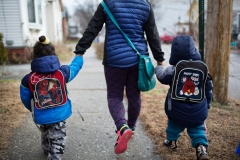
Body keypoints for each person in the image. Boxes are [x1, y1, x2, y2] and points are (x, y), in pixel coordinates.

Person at [74, 0, 165, 154]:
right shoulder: (145, 5)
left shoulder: (107, 3)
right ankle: (131, 128)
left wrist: (80, 50)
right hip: (138, 60)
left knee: (115, 96)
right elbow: (153, 34)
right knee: (134, 96)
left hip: (114, 60)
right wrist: (160, 59)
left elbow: (93, 28)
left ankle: (122, 128)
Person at [20, 35, 84, 160]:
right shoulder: (62, 73)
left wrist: (34, 110)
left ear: (35, 55)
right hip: (59, 115)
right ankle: (54, 156)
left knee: (45, 134)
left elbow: (25, 97)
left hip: (41, 115)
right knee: (58, 140)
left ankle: (46, 150)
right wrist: (79, 57)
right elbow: (75, 68)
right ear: (53, 53)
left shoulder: (28, 79)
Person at [155, 35, 213, 160]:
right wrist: (207, 104)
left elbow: (161, 76)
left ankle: (172, 141)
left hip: (176, 111)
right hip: (199, 111)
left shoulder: (173, 70)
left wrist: (159, 66)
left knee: (174, 125)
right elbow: (209, 89)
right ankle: (201, 147)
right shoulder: (203, 70)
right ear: (195, 50)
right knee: (198, 128)